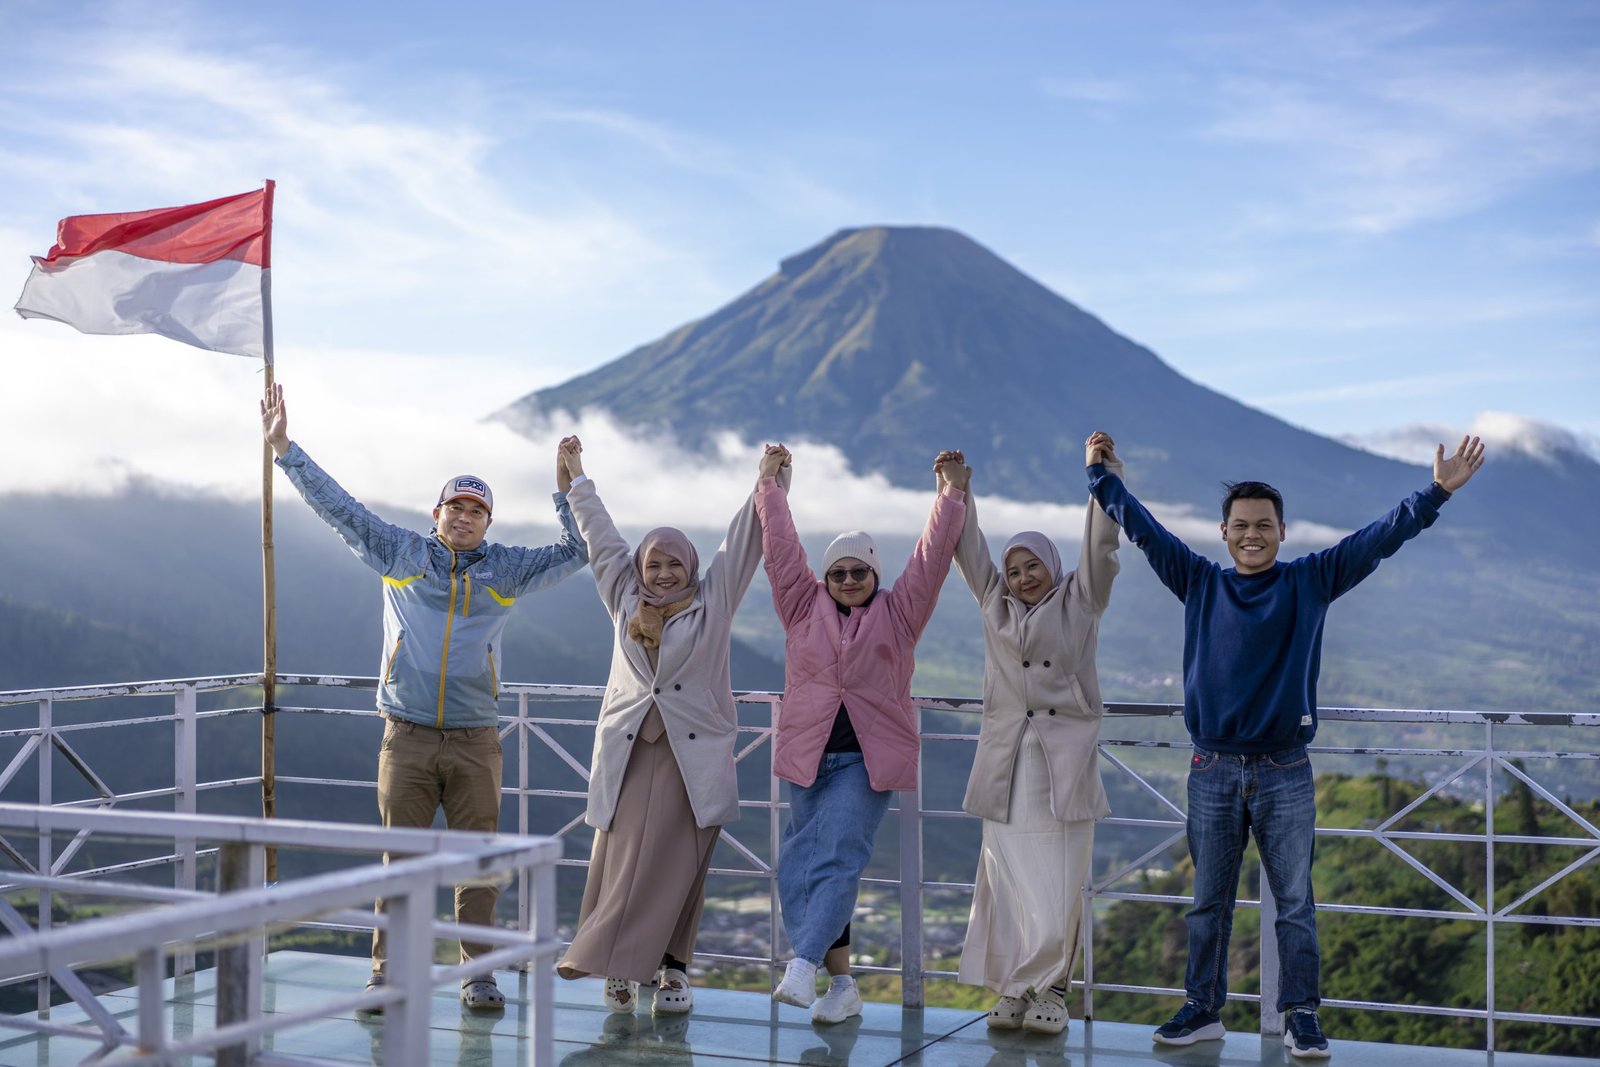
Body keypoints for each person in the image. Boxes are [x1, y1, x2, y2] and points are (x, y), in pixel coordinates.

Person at [1086, 431, 1486, 1059]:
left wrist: (1436, 492)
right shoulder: (1198, 580)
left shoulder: (1310, 580)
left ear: (1281, 531)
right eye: (1241, 525)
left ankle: (1302, 1014)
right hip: (1212, 767)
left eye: (1264, 525)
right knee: (1208, 902)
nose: (1253, 535)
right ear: (1224, 532)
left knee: (1295, 902)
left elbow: (1378, 539)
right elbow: (1144, 530)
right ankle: (1202, 1009)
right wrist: (1102, 477)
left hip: (1285, 770)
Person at [261, 383, 589, 1011]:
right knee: (401, 864)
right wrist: (285, 450)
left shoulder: (507, 568)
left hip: (475, 737)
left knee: (478, 864)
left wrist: (566, 486)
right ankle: (387, 977)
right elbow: (339, 508)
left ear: (488, 522)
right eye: (454, 507)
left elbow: (579, 549)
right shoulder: (400, 552)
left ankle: (479, 976)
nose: (464, 517)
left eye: (476, 510)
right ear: (435, 513)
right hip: (405, 734)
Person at [554, 440, 789, 1015]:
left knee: (681, 868)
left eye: (674, 565)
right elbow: (601, 537)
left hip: (694, 761)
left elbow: (743, 543)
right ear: (640, 568)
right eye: (654, 564)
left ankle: (673, 971)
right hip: (632, 753)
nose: (663, 575)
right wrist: (578, 479)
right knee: (622, 861)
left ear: (692, 568)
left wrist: (769, 481)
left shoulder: (715, 601)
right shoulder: (622, 596)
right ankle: (615, 964)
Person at [761, 445, 968, 1025]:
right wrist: (771, 487)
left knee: (838, 858)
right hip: (809, 757)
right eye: (838, 572)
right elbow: (780, 552)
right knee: (798, 868)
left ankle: (803, 963)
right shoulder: (801, 607)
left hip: (864, 762)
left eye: (859, 571)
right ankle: (843, 985)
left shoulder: (900, 613)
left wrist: (951, 494)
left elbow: (931, 558)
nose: (849, 580)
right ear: (825, 578)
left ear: (876, 574)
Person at [952, 434, 1122, 1035]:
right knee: (1010, 878)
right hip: (1006, 765)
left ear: (1053, 565)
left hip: (1062, 764)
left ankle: (1051, 990)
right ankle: (1014, 986)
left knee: (1060, 880)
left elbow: (1100, 548)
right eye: (1015, 569)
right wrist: (956, 492)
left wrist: (1101, 478)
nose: (1024, 577)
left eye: (1034, 566)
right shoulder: (993, 603)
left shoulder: (1081, 599)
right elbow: (968, 551)